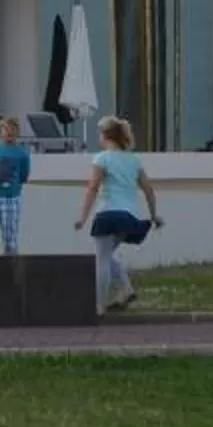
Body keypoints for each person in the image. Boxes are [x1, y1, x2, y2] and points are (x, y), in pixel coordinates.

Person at [71, 116, 161, 310]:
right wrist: (154, 215)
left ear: (106, 136)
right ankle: (126, 289)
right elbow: (149, 189)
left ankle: (99, 305)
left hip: (107, 213)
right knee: (107, 254)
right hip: (128, 217)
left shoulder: (102, 158)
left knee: (101, 259)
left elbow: (93, 188)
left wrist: (82, 217)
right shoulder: (134, 160)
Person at [0, 115, 33, 257]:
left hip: (11, 198)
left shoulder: (22, 154)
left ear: (17, 132)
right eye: (6, 129)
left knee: (10, 239)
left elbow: (23, 176)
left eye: (12, 129)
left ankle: (10, 269)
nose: (9, 132)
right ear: (0, 131)